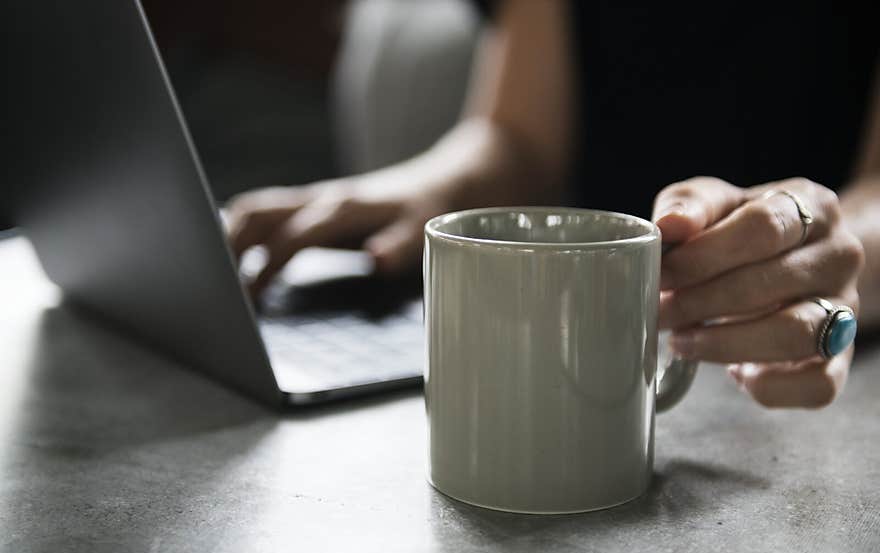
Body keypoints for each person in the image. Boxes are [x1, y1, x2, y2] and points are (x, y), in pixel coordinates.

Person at [225, 0, 879, 409]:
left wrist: (824, 249)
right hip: (583, 340)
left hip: (807, 372)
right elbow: (520, 137)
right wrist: (420, 189)